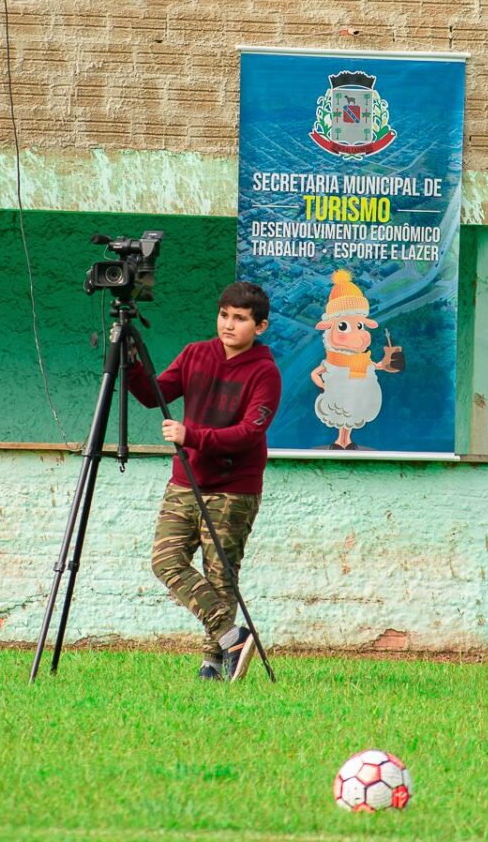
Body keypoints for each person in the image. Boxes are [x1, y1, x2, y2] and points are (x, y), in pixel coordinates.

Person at [128, 281, 281, 681]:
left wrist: (190, 436)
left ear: (260, 326)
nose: (229, 325)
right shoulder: (197, 354)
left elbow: (250, 432)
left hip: (234, 488)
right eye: (224, 315)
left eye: (240, 319)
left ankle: (212, 664)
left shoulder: (265, 372)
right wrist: (129, 365)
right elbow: (154, 394)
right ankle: (233, 636)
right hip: (185, 480)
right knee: (165, 561)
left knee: (221, 574)